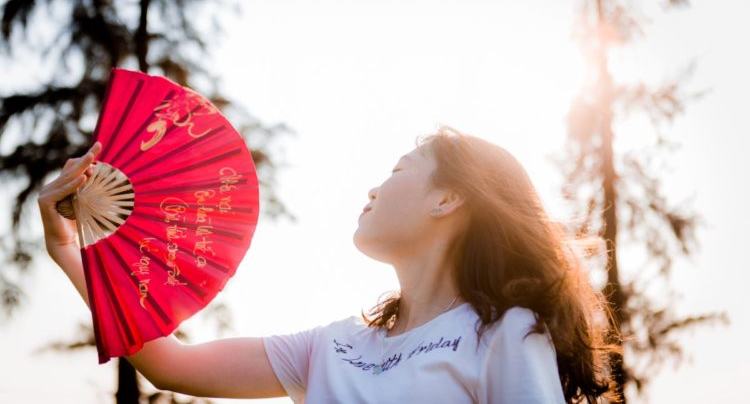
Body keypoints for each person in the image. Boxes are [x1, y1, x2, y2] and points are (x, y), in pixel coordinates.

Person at [38, 125, 616, 403]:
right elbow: (171, 365)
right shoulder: (332, 346)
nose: (372, 188)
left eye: (397, 170)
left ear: (448, 199)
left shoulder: (505, 331)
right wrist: (71, 250)